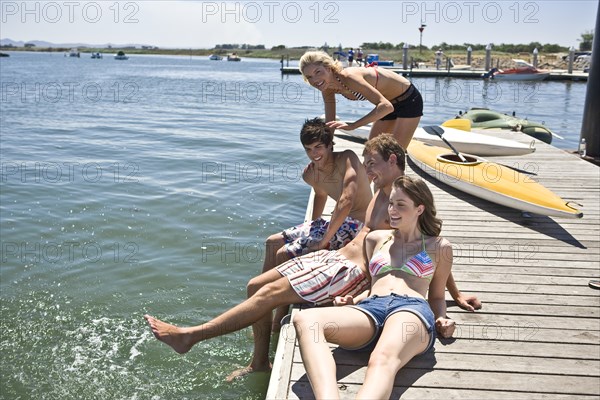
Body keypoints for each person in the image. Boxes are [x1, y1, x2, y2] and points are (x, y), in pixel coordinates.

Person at [143, 135, 480, 380]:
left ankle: (191, 336)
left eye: (372, 163)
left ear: (393, 160)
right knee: (254, 285)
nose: (367, 169)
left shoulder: (402, 198)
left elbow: (429, 248)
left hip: (349, 271)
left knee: (271, 294)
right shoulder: (384, 193)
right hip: (335, 257)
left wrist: (454, 294)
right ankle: (259, 362)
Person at [293, 175, 455, 399]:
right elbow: (372, 286)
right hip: (371, 307)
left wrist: (442, 318)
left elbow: (437, 296)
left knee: (381, 358)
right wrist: (354, 300)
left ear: (420, 209)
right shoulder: (376, 239)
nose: (392, 210)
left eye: (401, 205)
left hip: (411, 309)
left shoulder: (439, 247)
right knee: (305, 320)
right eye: (391, 203)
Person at [263, 117, 372, 331]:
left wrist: (323, 240)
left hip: (358, 223)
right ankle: (262, 305)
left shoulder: (347, 159)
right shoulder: (310, 174)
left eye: (319, 147)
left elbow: (346, 200)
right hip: (336, 221)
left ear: (330, 144)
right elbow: (321, 195)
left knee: (284, 253)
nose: (315, 154)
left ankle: (277, 319)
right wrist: (312, 227)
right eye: (309, 149)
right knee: (271, 242)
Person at [299, 50, 423, 149]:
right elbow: (330, 122)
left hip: (408, 100)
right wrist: (327, 146)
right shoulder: (326, 88)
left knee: (396, 156)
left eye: (318, 72)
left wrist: (353, 126)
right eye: (309, 77)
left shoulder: (349, 77)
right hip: (386, 106)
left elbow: (386, 106)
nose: (315, 79)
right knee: (371, 153)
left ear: (329, 68)